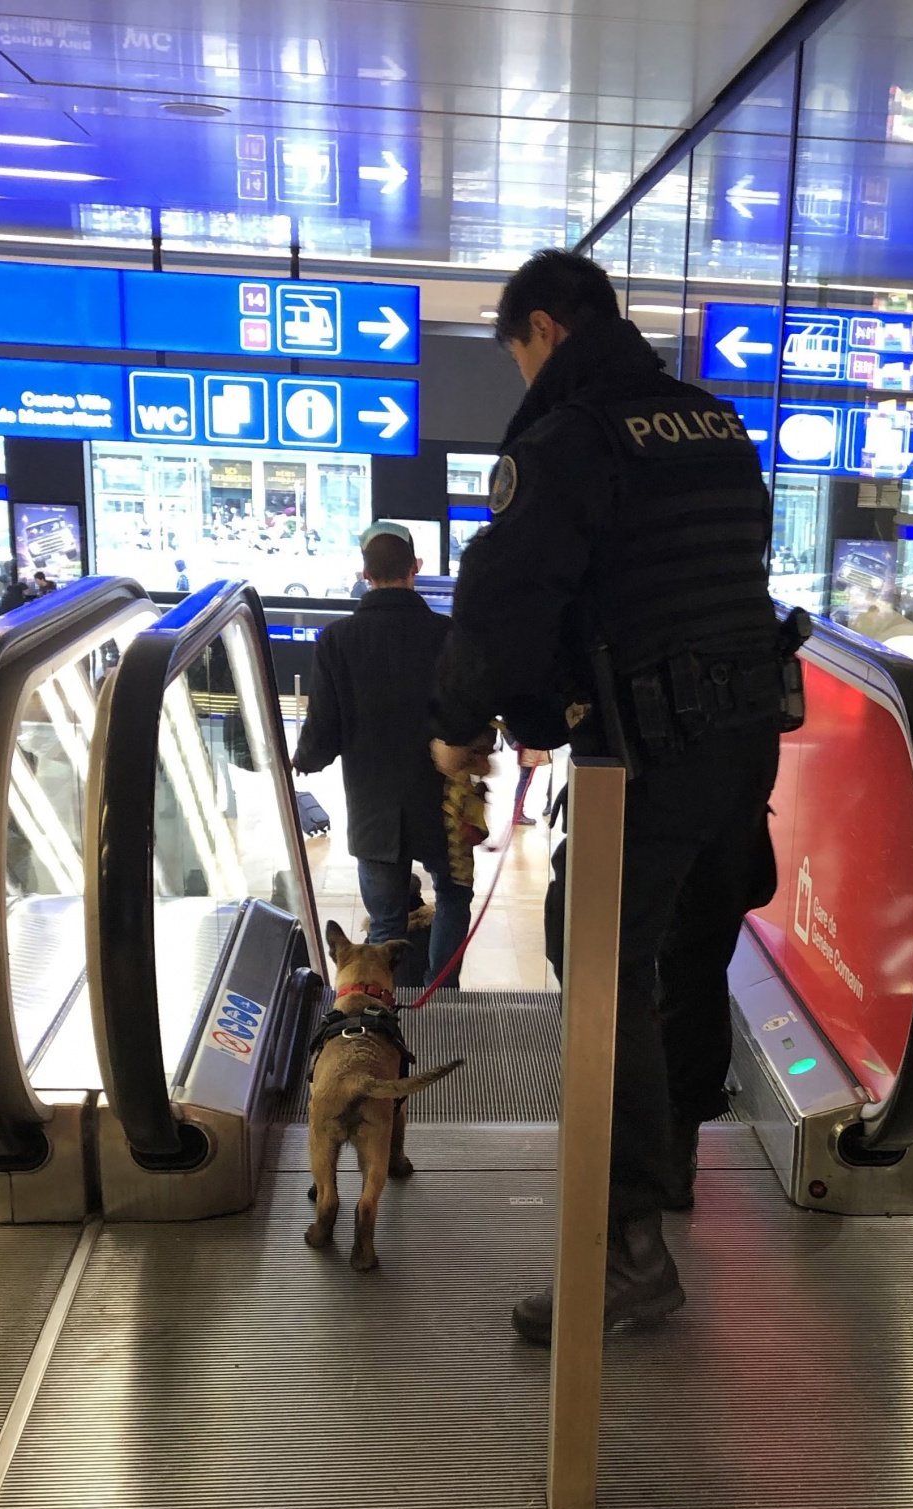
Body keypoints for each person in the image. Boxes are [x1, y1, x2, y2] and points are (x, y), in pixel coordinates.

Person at [431, 250, 782, 1344]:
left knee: (593, 952)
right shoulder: (714, 422)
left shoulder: (575, 435)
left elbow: (507, 589)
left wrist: (465, 724)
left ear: (543, 328)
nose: (523, 371)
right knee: (688, 945)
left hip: (660, 749)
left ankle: (629, 1250)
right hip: (748, 737)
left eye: (519, 349)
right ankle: (670, 1160)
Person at [295, 521, 474, 987]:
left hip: (373, 806)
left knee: (387, 921)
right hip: (441, 801)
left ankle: (389, 1010)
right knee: (453, 895)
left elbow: (324, 733)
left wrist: (302, 761)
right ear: (415, 568)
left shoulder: (337, 639)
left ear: (365, 574)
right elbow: (469, 711)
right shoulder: (447, 634)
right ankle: (442, 998)